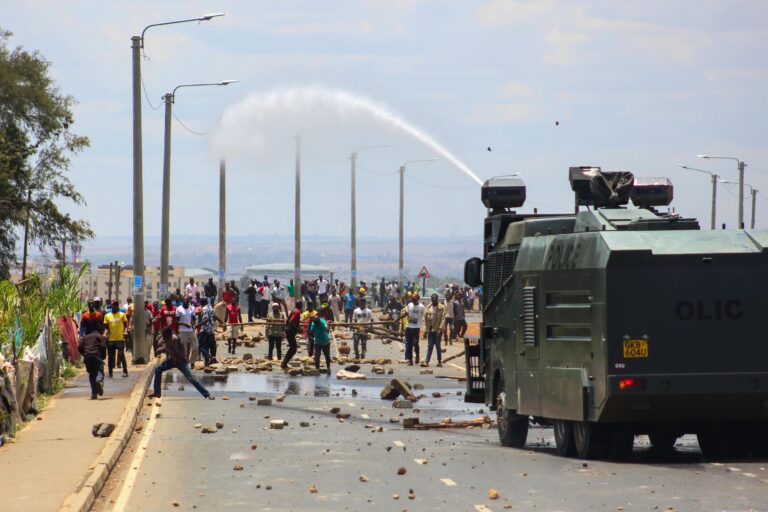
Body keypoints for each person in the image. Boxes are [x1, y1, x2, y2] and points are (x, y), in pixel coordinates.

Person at [148, 327, 212, 400]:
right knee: (158, 369)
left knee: (191, 378)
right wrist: (161, 342)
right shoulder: (166, 338)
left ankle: (207, 394)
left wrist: (164, 350)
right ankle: (157, 392)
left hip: (181, 361)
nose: (164, 337)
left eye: (165, 336)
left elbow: (176, 354)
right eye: (163, 336)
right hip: (173, 360)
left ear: (169, 335)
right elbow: (160, 344)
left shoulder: (174, 339)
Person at [78, 321, 106, 399]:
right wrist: (103, 356)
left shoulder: (85, 337)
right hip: (97, 356)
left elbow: (79, 347)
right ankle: (99, 381)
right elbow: (103, 347)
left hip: (87, 357)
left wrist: (84, 354)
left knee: (92, 374)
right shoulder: (100, 336)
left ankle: (94, 393)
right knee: (100, 370)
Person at [104, 301, 129, 378]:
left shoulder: (122, 315)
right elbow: (106, 328)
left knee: (121, 355)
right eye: (114, 305)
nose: (115, 306)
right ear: (111, 306)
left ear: (118, 306)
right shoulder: (107, 316)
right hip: (111, 339)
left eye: (116, 305)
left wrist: (125, 332)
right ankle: (110, 372)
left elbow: (126, 326)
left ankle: (125, 371)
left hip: (120, 339)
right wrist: (105, 334)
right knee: (110, 356)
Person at [400, 294, 425, 365]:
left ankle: (417, 355)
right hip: (409, 327)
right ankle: (410, 360)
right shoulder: (410, 305)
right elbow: (406, 313)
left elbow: (424, 315)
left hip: (416, 328)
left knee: (415, 343)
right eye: (412, 299)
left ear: (418, 299)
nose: (413, 301)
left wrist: (423, 325)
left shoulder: (421, 307)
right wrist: (398, 319)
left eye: (415, 299)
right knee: (409, 344)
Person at [423, 294, 446, 367]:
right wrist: (425, 331)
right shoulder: (428, 307)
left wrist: (440, 329)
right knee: (430, 346)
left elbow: (443, 319)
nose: (434, 300)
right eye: (433, 298)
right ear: (431, 299)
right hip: (430, 329)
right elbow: (426, 320)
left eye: (435, 298)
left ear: (437, 299)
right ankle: (427, 361)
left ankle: (439, 361)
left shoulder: (441, 308)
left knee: (438, 346)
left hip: (438, 329)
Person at [175, 297, 198, 364]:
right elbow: (176, 321)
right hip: (182, 331)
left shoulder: (192, 308)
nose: (186, 302)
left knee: (195, 347)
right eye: (184, 301)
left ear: (189, 302)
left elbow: (194, 319)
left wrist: (191, 323)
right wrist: (184, 324)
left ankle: (192, 361)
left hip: (191, 331)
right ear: (182, 302)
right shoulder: (179, 309)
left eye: (187, 301)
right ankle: (184, 363)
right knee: (183, 349)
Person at [281, 301, 303, 369]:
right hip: (290, 330)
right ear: (300, 306)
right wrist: (297, 329)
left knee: (292, 347)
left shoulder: (293, 310)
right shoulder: (297, 311)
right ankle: (284, 363)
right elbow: (291, 321)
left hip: (288, 330)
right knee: (293, 348)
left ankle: (284, 362)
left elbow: (288, 320)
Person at [196, 298, 216, 366]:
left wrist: (197, 325)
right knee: (208, 345)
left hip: (205, 329)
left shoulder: (204, 309)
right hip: (211, 330)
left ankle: (208, 356)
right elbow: (214, 316)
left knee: (200, 346)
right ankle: (207, 361)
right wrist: (222, 322)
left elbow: (206, 319)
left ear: (201, 303)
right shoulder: (210, 307)